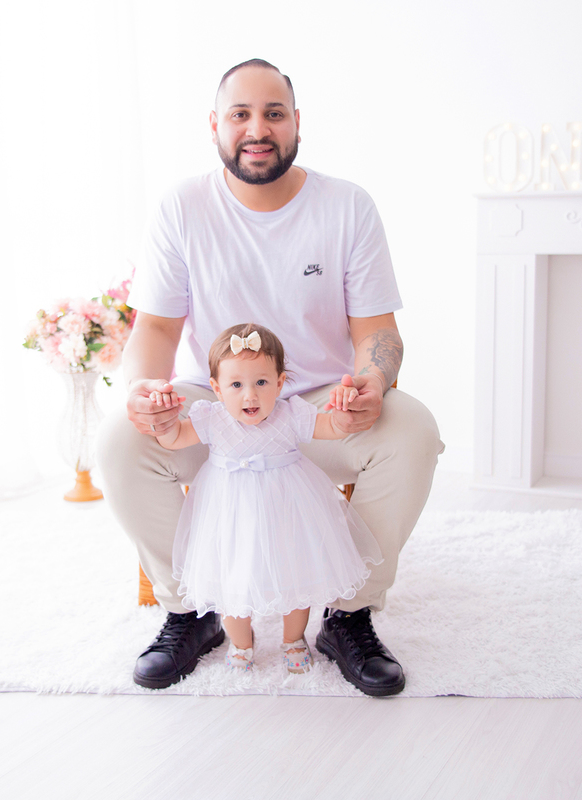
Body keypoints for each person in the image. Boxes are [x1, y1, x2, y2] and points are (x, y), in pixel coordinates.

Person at [97, 58, 444, 696]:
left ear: (296, 124)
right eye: (241, 114)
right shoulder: (182, 206)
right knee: (118, 441)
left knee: (414, 430)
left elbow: (379, 333)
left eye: (273, 113)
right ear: (215, 126)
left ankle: (348, 613)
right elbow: (154, 330)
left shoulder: (346, 206)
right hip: (217, 403)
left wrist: (373, 379)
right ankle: (191, 610)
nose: (258, 128)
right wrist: (140, 391)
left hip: (314, 406)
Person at [150, 323, 383, 675]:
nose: (250, 396)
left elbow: (331, 428)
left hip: (287, 509)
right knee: (233, 580)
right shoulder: (211, 418)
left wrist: (342, 412)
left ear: (280, 382)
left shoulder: (291, 414)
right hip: (231, 513)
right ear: (216, 388)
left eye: (261, 382)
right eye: (236, 385)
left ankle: (294, 639)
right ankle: (242, 643)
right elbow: (174, 439)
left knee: (296, 577)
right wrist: (164, 421)